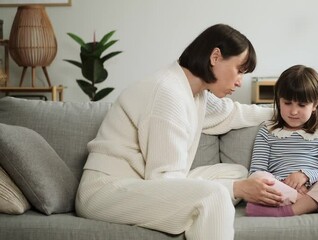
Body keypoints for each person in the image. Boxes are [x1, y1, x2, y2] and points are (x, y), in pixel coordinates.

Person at [75, 24, 284, 240]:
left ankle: (204, 215)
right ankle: (208, 212)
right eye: (239, 70)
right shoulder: (167, 92)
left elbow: (234, 113)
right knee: (218, 195)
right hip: (107, 191)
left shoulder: (195, 93)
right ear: (215, 56)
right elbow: (163, 179)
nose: (240, 81)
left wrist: (290, 113)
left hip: (143, 180)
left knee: (237, 172)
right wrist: (237, 190)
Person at [245, 65, 318, 217]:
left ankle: (290, 210)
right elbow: (256, 170)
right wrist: (289, 185)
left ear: (315, 105)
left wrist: (305, 176)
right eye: (287, 103)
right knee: (257, 177)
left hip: (315, 188)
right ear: (278, 100)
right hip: (282, 189)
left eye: (301, 105)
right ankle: (313, 205)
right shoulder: (267, 130)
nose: (293, 111)